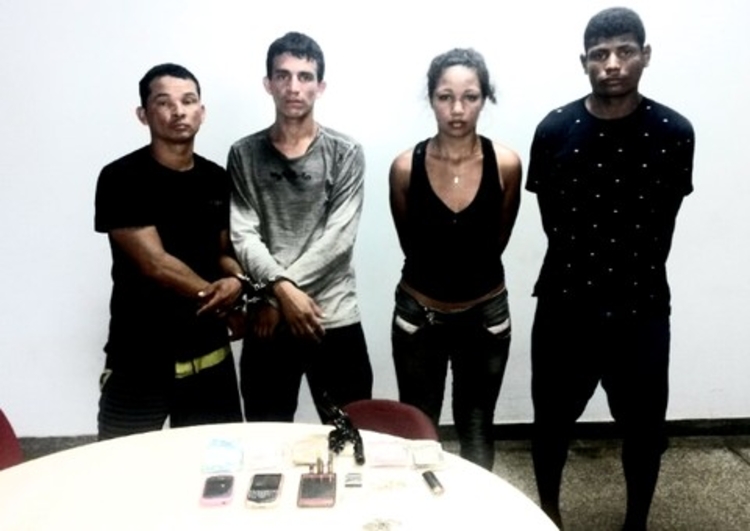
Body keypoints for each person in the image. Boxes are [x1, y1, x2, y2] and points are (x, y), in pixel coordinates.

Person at [526, 7, 695, 529]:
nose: (613, 64)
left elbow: (664, 218)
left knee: (644, 428)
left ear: (646, 55)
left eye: (625, 51)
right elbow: (552, 221)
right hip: (565, 302)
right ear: (584, 62)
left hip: (642, 305)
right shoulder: (554, 129)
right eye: (600, 54)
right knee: (551, 422)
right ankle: (548, 512)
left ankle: (636, 522)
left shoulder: (674, 131)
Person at [94, 63, 246, 440]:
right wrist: (222, 301)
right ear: (143, 114)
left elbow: (223, 252)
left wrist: (238, 281)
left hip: (210, 361)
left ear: (202, 112)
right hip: (139, 362)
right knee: (121, 467)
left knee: (218, 468)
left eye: (188, 101)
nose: (178, 111)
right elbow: (156, 263)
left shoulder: (215, 177)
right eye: (164, 102)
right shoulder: (120, 178)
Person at [228, 32, 373, 422]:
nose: (294, 87)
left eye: (305, 76)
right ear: (268, 83)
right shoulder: (243, 153)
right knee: (266, 437)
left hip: (331, 315)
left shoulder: (345, 152)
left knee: (350, 434)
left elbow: (338, 240)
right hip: (267, 324)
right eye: (283, 75)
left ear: (320, 86)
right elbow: (243, 234)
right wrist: (281, 295)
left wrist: (278, 296)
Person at [389, 48, 522, 470]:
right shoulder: (404, 168)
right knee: (418, 427)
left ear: (485, 98)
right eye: (445, 97)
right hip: (418, 315)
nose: (458, 109)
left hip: (485, 316)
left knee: (477, 425)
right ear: (431, 99)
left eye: (470, 97)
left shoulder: (506, 164)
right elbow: (412, 245)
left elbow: (496, 242)